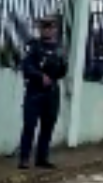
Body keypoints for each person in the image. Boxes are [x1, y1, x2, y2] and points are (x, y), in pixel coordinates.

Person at [18, 15, 68, 169]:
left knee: (48, 126)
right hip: (35, 90)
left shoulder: (60, 48)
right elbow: (26, 66)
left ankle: (42, 158)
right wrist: (40, 76)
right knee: (29, 125)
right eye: (44, 27)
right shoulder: (33, 46)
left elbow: (63, 70)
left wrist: (55, 74)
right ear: (40, 29)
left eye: (50, 27)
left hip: (52, 91)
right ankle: (24, 158)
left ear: (55, 29)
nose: (47, 30)